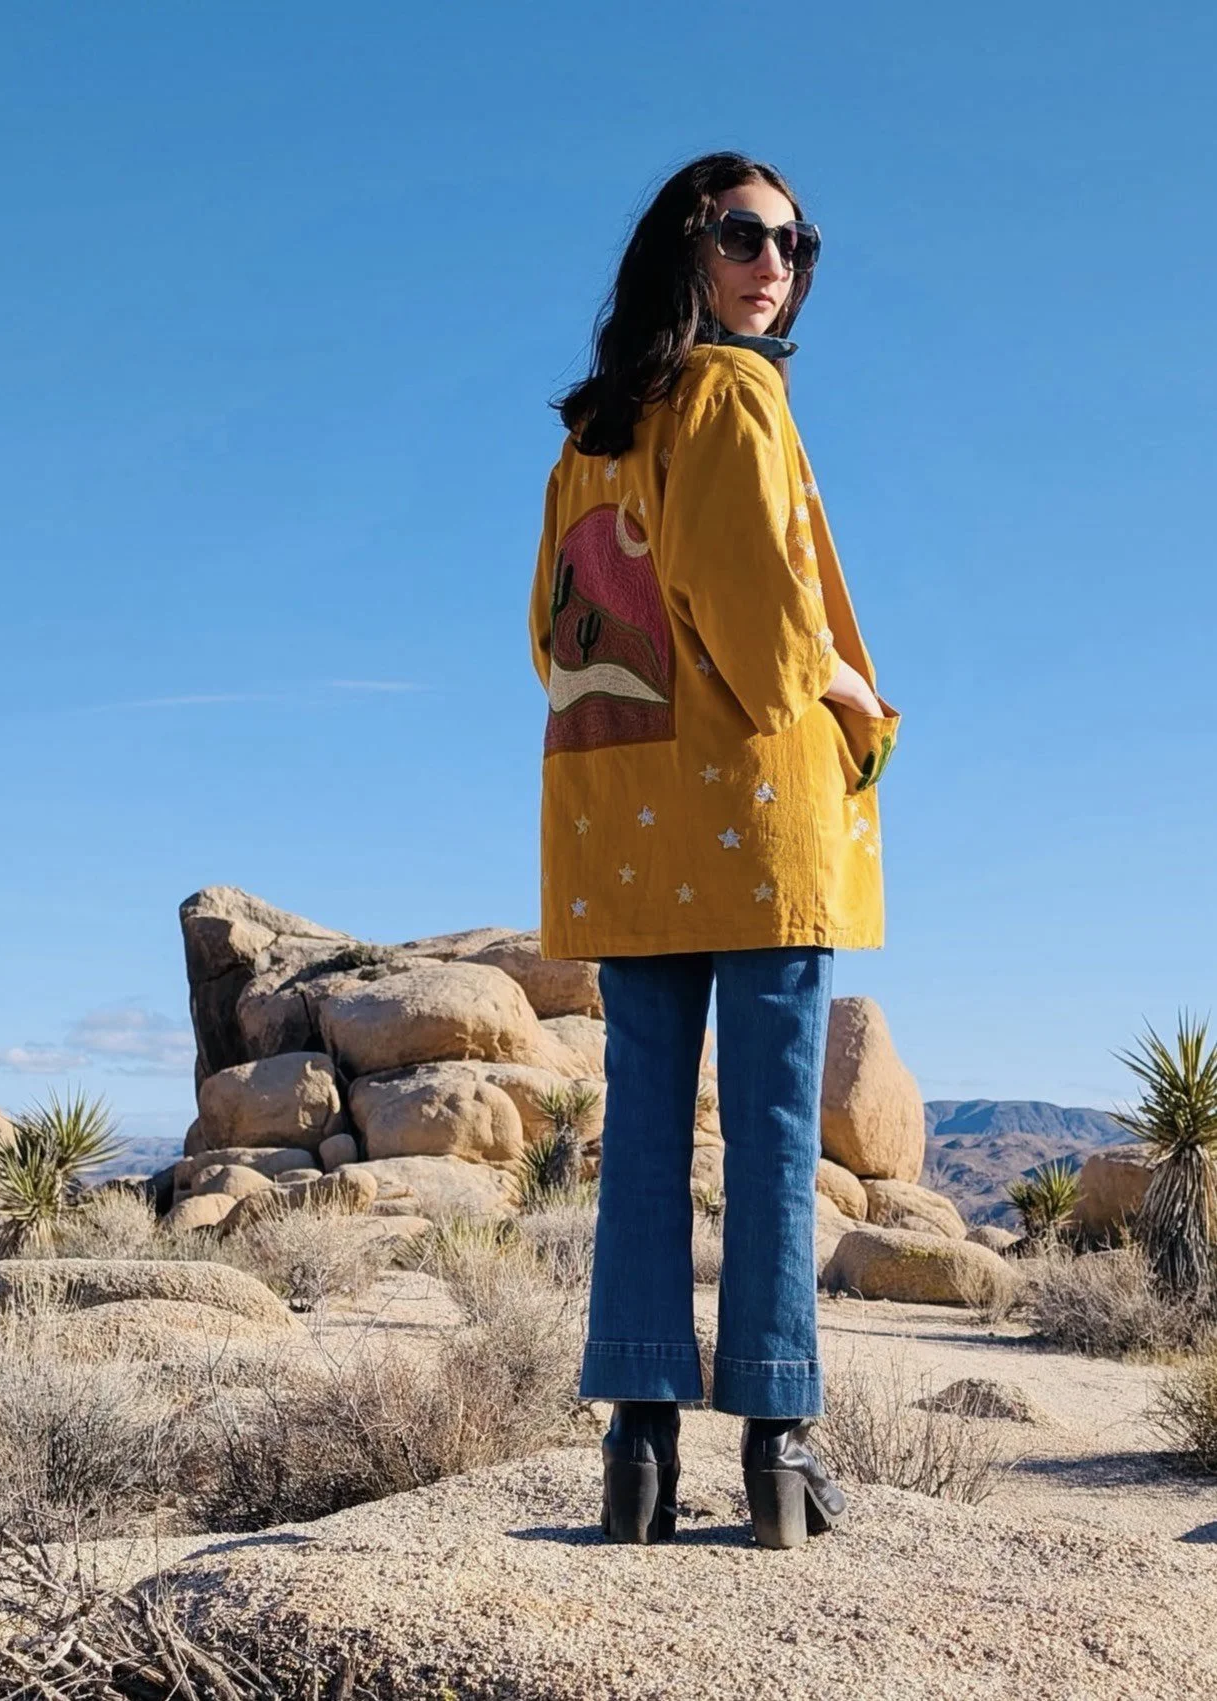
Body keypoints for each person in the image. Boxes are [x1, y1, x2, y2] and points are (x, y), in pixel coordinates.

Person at [526, 151, 901, 1549]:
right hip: (751, 814)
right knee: (773, 1131)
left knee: (641, 1137)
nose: (774, 265)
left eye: (797, 245)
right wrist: (849, 693)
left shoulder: (588, 441)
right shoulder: (740, 395)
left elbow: (549, 638)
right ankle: (779, 1445)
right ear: (685, 244)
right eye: (744, 235)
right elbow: (758, 614)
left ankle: (637, 1451)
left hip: (625, 825)